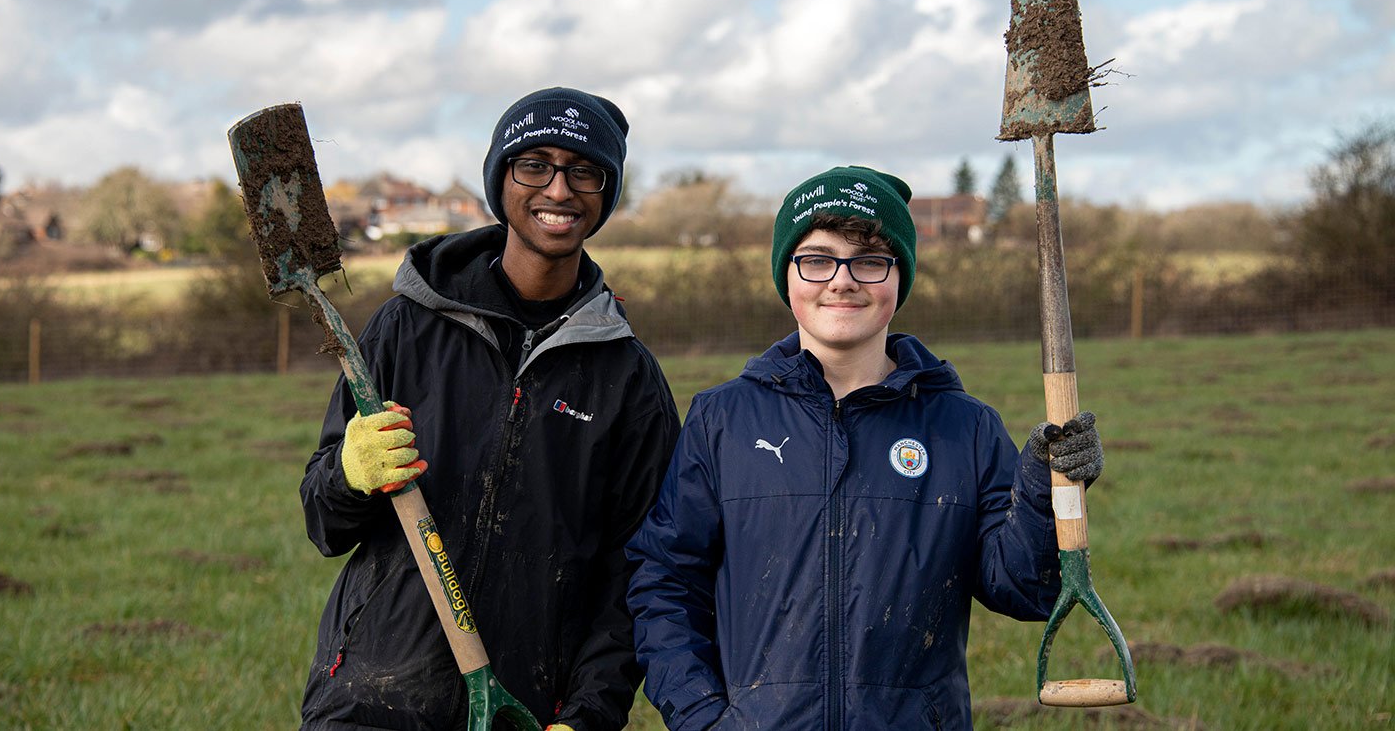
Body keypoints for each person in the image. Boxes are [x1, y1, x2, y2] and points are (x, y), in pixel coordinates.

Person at [625, 166, 1105, 731]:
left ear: (899, 277)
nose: (842, 280)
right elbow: (665, 580)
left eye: (870, 260)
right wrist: (700, 716)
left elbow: (1025, 590)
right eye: (818, 259)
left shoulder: (964, 428)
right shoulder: (721, 420)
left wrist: (1043, 491)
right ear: (788, 273)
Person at [299, 87, 681, 731]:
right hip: (370, 701)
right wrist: (350, 473)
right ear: (500, 179)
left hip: (522, 713)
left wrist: (589, 714)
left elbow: (636, 574)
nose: (558, 190)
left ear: (605, 196)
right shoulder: (404, 329)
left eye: (584, 171)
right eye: (534, 165)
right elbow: (323, 523)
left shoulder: (628, 379)